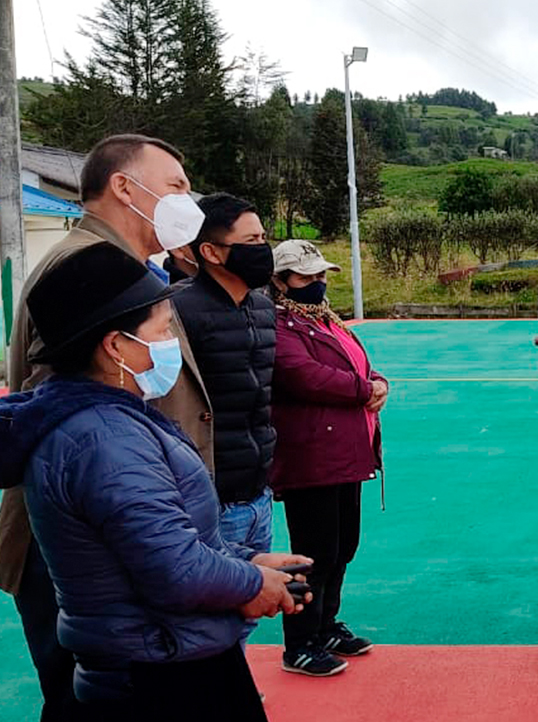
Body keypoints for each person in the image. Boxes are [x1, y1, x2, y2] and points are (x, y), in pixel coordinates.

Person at [0, 243, 312, 721]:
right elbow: (176, 572)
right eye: (162, 329)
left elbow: (157, 539)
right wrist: (253, 583)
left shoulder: (107, 421)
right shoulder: (103, 441)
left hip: (163, 656)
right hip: (160, 676)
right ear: (115, 346)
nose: (169, 343)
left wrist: (244, 560)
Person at [0, 133, 215, 721]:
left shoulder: (121, 266)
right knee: (90, 702)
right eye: (175, 186)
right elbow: (67, 416)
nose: (186, 201)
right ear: (125, 186)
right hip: (91, 551)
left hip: (118, 533)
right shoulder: (88, 272)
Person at [269, 240, 388, 677]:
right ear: (280, 281)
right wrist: (363, 389)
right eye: (306, 277)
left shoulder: (326, 320)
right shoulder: (279, 326)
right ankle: (300, 643)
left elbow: (361, 365)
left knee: (341, 548)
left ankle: (325, 625)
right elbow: (302, 375)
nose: (317, 284)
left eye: (321, 276)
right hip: (311, 456)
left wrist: (378, 380)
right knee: (313, 553)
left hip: (346, 452)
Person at [171, 193, 277, 571]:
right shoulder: (177, 313)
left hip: (258, 496)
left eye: (264, 239)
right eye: (251, 242)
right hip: (209, 499)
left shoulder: (264, 309)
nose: (263, 250)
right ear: (211, 253)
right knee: (211, 618)